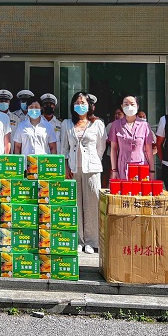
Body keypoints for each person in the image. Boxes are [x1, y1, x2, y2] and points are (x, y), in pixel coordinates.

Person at [60, 92, 106, 255]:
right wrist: (66, 166)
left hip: (91, 169)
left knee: (92, 204)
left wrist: (93, 161)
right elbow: (64, 148)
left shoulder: (97, 124)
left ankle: (92, 241)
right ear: (73, 106)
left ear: (89, 106)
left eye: (83, 103)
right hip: (73, 168)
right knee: (76, 204)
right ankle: (79, 240)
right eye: (77, 103)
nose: (80, 105)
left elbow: (101, 147)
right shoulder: (66, 124)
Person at [108, 96, 155, 181]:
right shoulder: (116, 125)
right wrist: (114, 170)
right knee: (124, 189)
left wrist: (152, 170)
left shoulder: (144, 125)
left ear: (137, 106)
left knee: (140, 189)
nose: (129, 107)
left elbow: (149, 150)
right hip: (122, 166)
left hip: (141, 166)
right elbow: (113, 149)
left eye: (132, 104)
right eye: (126, 104)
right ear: (122, 106)